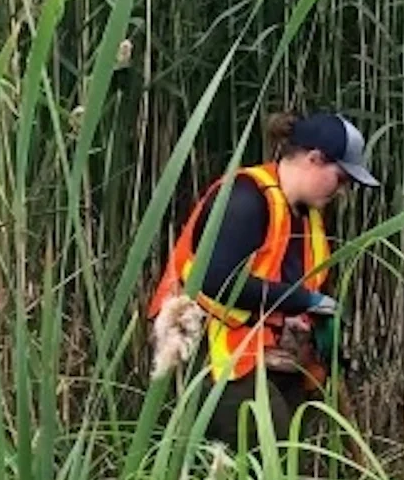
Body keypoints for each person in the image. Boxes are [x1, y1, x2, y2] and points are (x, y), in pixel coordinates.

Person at [147, 110, 378, 448]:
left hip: (260, 351)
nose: (342, 191)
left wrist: (310, 327)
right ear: (314, 159)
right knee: (271, 443)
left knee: (293, 446)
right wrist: (307, 301)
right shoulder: (245, 198)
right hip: (205, 347)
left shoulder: (306, 215)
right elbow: (217, 282)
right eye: (341, 178)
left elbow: (282, 288)